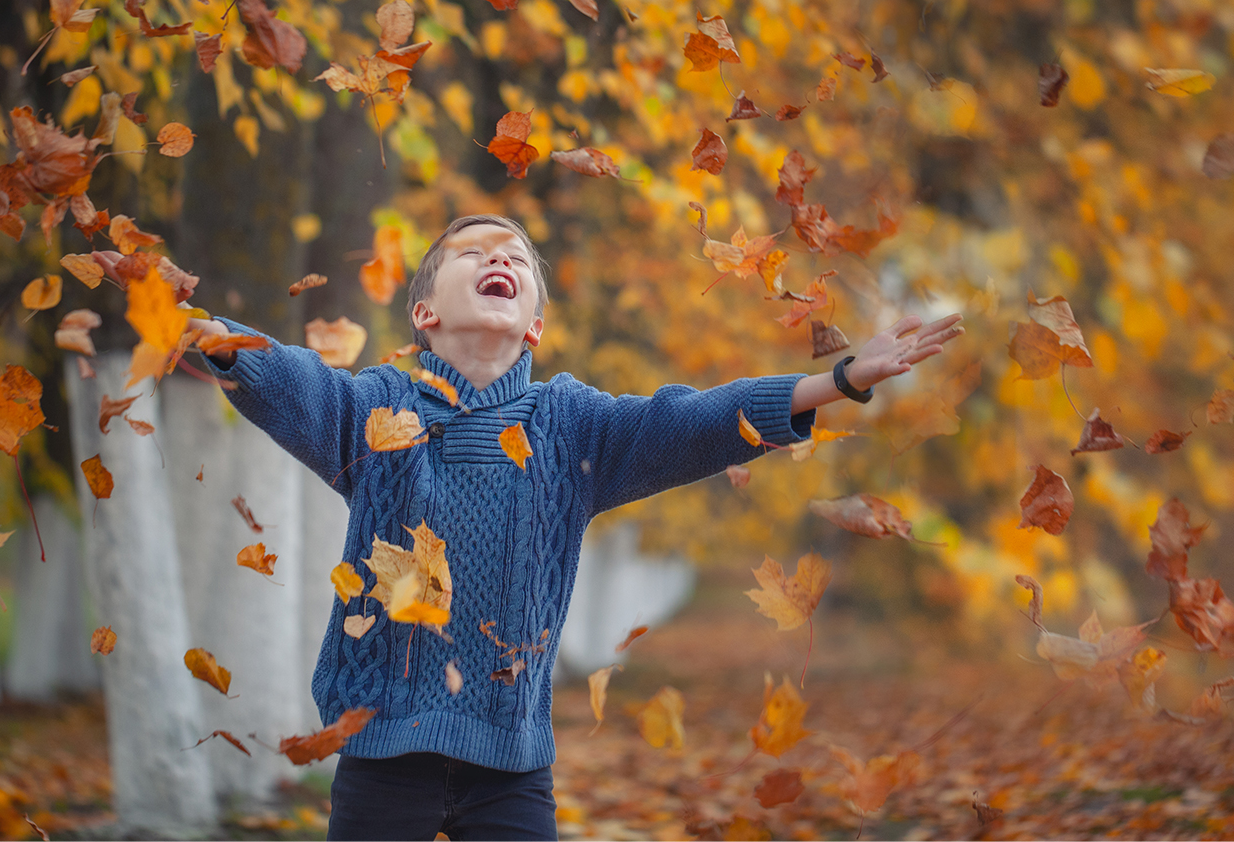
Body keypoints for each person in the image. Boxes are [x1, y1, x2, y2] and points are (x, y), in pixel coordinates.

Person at [188, 214, 963, 840]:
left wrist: (838, 379)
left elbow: (690, 421)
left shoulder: (571, 427)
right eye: (472, 252)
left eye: (517, 258)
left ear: (533, 324)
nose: (500, 258)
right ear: (423, 312)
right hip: (383, 751)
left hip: (511, 766)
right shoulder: (378, 409)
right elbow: (298, 382)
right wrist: (212, 338)